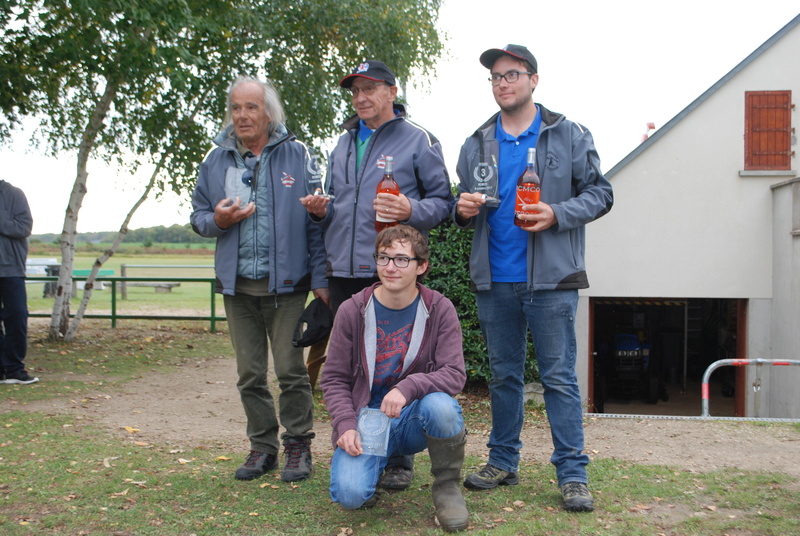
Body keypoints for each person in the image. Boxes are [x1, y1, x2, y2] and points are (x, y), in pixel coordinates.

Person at [454, 45, 613, 512]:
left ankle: (573, 474)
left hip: (552, 280)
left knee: (559, 379)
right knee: (503, 376)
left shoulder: (568, 134)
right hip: (496, 280)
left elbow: (601, 193)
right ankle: (503, 461)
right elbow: (465, 204)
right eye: (495, 78)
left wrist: (557, 213)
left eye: (512, 75)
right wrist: (461, 211)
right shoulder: (476, 141)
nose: (503, 83)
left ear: (534, 80)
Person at [302, 59, 454, 489]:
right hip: (345, 272)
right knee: (353, 367)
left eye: (370, 88)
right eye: (354, 91)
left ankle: (400, 456)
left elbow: (443, 202)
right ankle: (357, 439)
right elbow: (339, 206)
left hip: (391, 268)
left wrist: (411, 210)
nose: (361, 97)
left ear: (391, 91)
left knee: (398, 357)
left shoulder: (418, 140)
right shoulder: (342, 143)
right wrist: (321, 214)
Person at [190, 75, 328, 483]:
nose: (243, 115)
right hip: (238, 288)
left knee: (290, 370)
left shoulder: (298, 155)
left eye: (251, 107)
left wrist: (320, 279)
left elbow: (316, 224)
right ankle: (262, 447)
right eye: (236, 107)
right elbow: (198, 217)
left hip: (286, 286)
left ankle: (299, 445)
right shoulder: (215, 160)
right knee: (249, 374)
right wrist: (217, 219)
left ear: (269, 112)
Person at [320, 225, 468, 532]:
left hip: (412, 415)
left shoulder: (439, 309)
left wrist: (408, 387)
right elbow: (333, 379)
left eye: (401, 259)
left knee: (442, 406)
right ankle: (378, 464)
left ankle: (447, 487)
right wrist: (345, 425)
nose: (390, 267)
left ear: (421, 266)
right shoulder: (352, 310)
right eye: (384, 257)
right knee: (349, 495)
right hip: (367, 420)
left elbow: (454, 374)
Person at [0, 179, 37, 385]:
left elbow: (24, 227)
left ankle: (14, 369)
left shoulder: (14, 194)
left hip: (10, 269)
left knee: (17, 316)